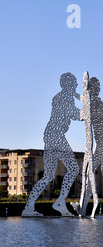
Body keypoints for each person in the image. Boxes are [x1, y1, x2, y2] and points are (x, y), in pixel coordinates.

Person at [22, 73, 81, 217]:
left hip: (50, 136)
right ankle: (60, 202)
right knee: (73, 169)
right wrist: (84, 101)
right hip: (56, 137)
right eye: (74, 84)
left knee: (48, 175)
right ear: (68, 85)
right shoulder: (65, 97)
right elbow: (77, 115)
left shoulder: (59, 96)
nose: (76, 86)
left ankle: (29, 208)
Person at [72, 74, 103, 217]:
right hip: (102, 143)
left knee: (89, 176)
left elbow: (84, 113)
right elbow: (84, 101)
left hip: (100, 144)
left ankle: (82, 209)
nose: (87, 91)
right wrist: (75, 93)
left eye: (89, 89)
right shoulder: (96, 101)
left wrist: (74, 99)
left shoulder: (96, 103)